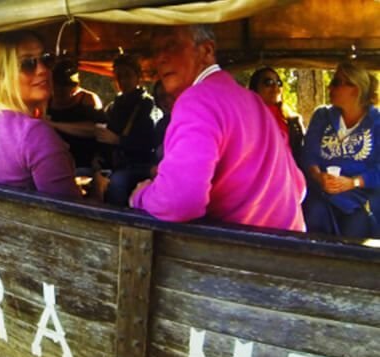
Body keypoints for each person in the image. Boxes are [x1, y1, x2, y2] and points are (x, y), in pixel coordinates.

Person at [129, 25, 306, 232]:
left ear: (206, 51)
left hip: (240, 257)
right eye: (156, 50)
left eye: (171, 45)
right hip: (292, 250)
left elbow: (180, 202)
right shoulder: (254, 102)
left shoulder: (197, 100)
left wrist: (141, 196)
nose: (161, 58)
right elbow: (298, 186)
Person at [0, 30, 82, 199]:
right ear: (0, 76)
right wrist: (99, 188)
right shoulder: (34, 132)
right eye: (27, 64)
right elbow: (74, 215)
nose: (43, 70)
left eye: (46, 59)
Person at [301, 61, 380, 237]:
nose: (330, 87)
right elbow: (309, 156)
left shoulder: (377, 123)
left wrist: (353, 182)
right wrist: (318, 176)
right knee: (314, 212)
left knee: (357, 225)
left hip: (361, 198)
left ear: (356, 89)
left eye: (336, 82)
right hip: (322, 195)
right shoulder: (322, 116)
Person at [103, 54, 157, 206]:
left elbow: (149, 143)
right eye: (119, 76)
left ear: (138, 77)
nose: (123, 81)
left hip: (141, 165)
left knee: (118, 182)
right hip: (116, 164)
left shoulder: (147, 105)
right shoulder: (114, 106)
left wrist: (119, 140)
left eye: (127, 75)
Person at [46, 58, 109, 171]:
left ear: (76, 86)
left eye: (66, 86)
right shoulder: (47, 101)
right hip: (54, 160)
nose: (61, 90)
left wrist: (54, 125)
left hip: (83, 162)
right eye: (57, 85)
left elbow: (96, 130)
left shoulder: (88, 100)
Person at [248, 67, 305, 159]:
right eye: (268, 82)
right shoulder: (246, 120)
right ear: (255, 88)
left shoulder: (293, 121)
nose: (275, 87)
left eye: (279, 83)